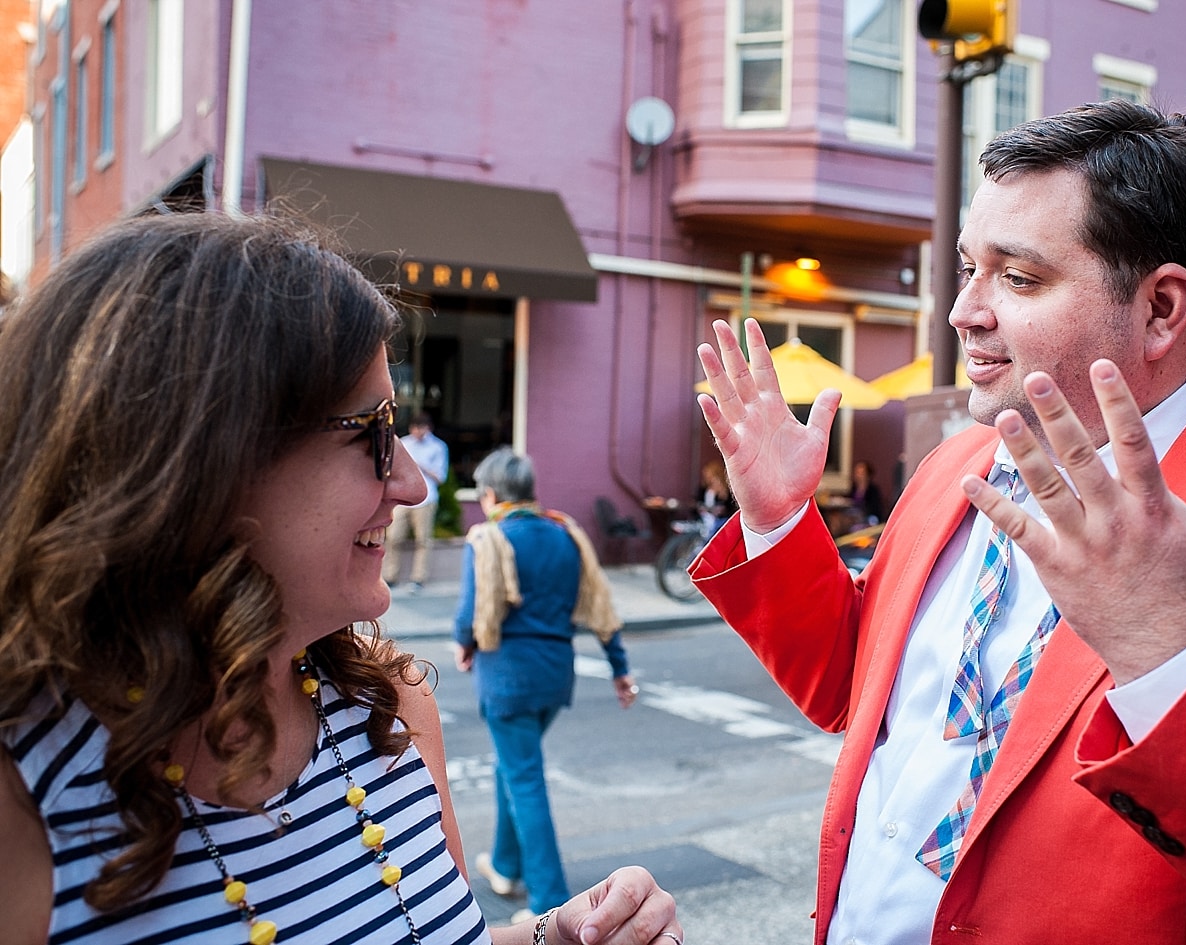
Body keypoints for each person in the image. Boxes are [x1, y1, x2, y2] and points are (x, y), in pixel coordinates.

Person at [690, 99, 1186, 945]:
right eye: (968, 267)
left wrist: (1174, 653)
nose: (965, 309)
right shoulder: (956, 463)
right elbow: (859, 688)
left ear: (1161, 309)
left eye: (1018, 276)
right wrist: (779, 522)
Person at [0, 212, 683, 945]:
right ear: (202, 460)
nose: (415, 485)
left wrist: (555, 934)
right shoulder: (28, 788)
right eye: (373, 432)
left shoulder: (386, 706)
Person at [453, 448, 640, 925]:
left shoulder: (489, 538)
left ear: (491, 494)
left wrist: (464, 645)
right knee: (514, 767)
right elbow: (599, 604)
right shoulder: (565, 535)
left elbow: (469, 617)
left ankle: (549, 905)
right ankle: (504, 865)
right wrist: (620, 668)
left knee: (524, 779)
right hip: (555, 678)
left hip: (508, 680)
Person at [383, 412, 450, 590]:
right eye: (414, 428)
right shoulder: (403, 443)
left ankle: (418, 578)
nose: (417, 432)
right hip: (401, 500)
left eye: (420, 428)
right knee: (394, 537)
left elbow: (440, 477)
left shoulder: (438, 447)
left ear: (428, 428)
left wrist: (419, 465)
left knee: (423, 540)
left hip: (427, 499)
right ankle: (391, 576)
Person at [698, 460, 737, 537]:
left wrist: (721, 493)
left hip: (721, 518)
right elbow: (699, 501)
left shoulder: (725, 489)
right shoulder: (704, 488)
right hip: (706, 516)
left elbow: (729, 505)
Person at [842, 460, 884, 525]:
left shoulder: (873, 490)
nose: (858, 475)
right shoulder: (853, 488)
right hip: (852, 515)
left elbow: (874, 508)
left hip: (866, 517)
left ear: (867, 475)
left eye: (861, 473)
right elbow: (849, 500)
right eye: (856, 472)